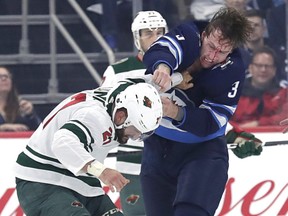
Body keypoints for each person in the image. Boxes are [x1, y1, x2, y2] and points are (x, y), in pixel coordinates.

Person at [102, 9, 262, 215]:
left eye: (221, 52)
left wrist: (175, 112)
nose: (212, 57)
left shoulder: (232, 71)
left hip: (200, 152)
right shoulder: (120, 70)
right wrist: (163, 68)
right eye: (147, 33)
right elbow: (164, 51)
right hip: (150, 153)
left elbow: (211, 121)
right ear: (203, 36)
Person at [14, 81, 163, 216]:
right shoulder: (94, 117)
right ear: (120, 117)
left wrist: (175, 76)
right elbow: (62, 143)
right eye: (134, 130)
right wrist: (102, 171)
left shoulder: (123, 96)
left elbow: (144, 84)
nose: (135, 136)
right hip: (42, 179)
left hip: (81, 181)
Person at [230, 45, 288, 128]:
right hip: (238, 138)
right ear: (250, 68)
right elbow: (224, 120)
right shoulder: (234, 93)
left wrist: (258, 124)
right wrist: (238, 129)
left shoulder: (284, 94)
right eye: (259, 65)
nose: (263, 70)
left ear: (274, 70)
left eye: (267, 66)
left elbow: (285, 118)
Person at [0, 66, 41, 132]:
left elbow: (38, 129)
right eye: (0, 76)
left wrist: (30, 114)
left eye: (7, 76)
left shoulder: (20, 107)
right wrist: (3, 128)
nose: (4, 79)